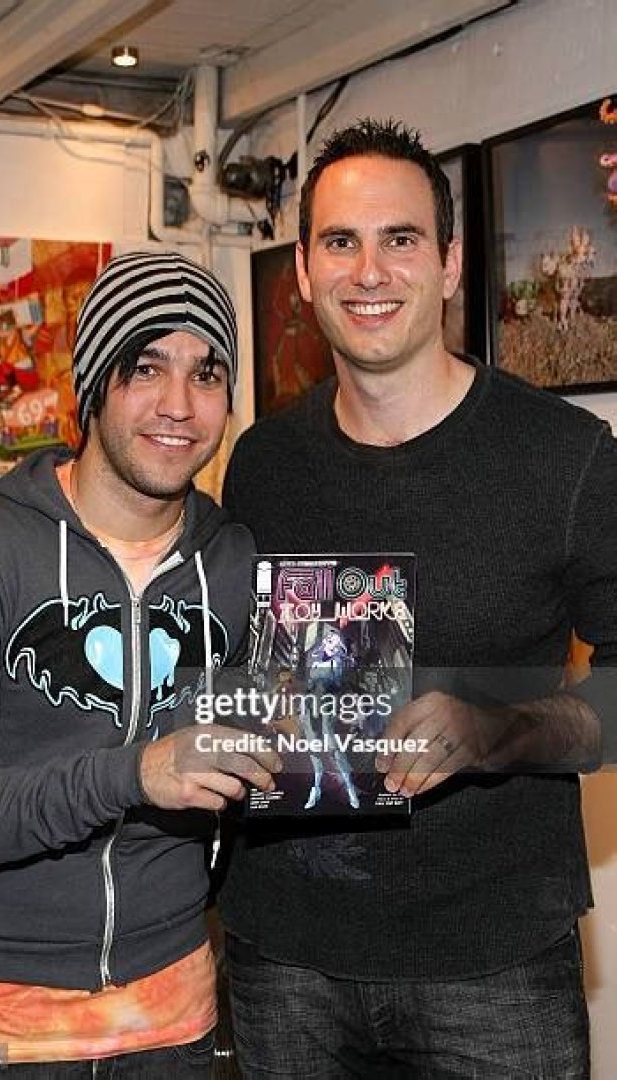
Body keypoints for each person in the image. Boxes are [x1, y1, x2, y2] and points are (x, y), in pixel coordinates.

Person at [218, 120, 617, 1078]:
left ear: (449, 263)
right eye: (339, 242)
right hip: (286, 955)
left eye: (399, 238)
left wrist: (498, 731)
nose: (370, 271)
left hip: (495, 963)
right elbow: (247, 668)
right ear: (303, 272)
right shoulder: (261, 463)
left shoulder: (567, 458)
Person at [0, 250, 279, 1079]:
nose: (178, 404)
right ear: (95, 385)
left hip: (172, 1020)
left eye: (207, 374)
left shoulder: (238, 564)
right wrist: (134, 773)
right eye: (146, 367)